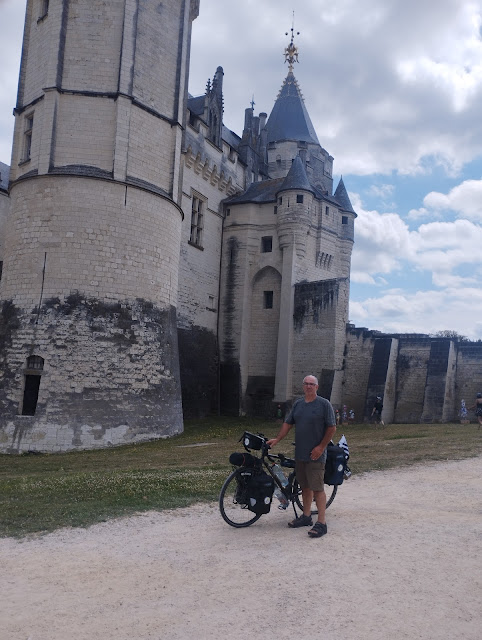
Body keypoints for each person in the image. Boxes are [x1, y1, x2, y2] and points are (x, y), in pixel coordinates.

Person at [267, 375, 336, 538]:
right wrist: (278, 439)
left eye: (312, 384)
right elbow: (288, 423)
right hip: (301, 454)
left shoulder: (324, 404)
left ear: (317, 387)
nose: (309, 386)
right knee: (305, 487)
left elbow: (332, 428)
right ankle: (306, 517)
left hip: (316, 456)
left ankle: (322, 523)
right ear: (303, 386)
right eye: (306, 384)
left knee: (317, 489)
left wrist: (321, 447)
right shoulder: (298, 404)